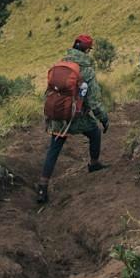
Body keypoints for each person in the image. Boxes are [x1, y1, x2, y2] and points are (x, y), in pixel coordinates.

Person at [38, 34, 108, 204]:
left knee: (54, 147)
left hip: (58, 114)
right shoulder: (87, 70)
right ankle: (94, 163)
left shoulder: (61, 64)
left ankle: (42, 186)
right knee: (95, 132)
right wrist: (103, 118)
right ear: (87, 50)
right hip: (76, 117)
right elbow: (94, 100)